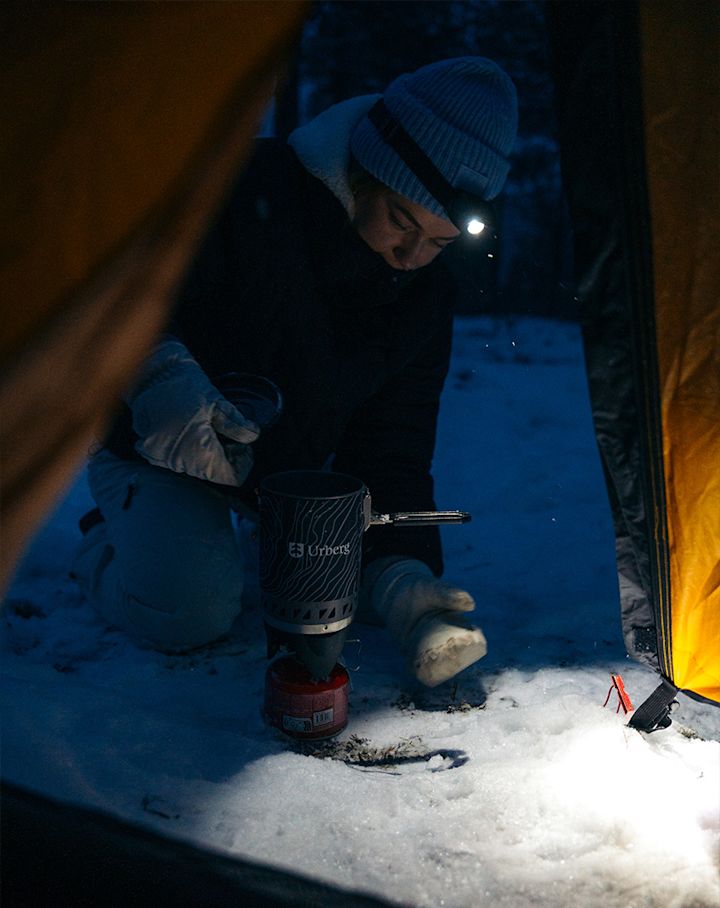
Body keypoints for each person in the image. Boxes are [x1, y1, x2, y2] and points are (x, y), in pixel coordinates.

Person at [71, 57, 518, 687]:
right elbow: (119, 293)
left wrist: (404, 577)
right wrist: (155, 380)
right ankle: (105, 540)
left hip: (287, 476)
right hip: (155, 439)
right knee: (189, 610)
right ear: (364, 175)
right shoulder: (248, 188)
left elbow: (393, 444)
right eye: (401, 221)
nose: (413, 257)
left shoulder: (423, 296)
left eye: (440, 243)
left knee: (345, 594)